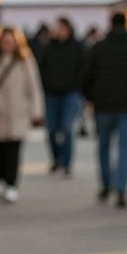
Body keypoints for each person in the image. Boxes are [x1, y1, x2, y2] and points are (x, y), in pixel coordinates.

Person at [83, 10, 127, 209]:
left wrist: (91, 98)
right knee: (124, 148)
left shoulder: (98, 48)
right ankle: (122, 188)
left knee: (103, 146)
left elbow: (86, 76)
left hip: (102, 105)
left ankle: (105, 183)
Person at [0, 26, 44, 203]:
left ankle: (11, 183)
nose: (8, 44)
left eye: (11, 41)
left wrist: (36, 110)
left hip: (17, 111)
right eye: (5, 41)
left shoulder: (25, 60)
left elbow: (34, 87)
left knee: (14, 148)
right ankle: (0, 178)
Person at [38, 16, 85, 176]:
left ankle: (66, 162)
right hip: (51, 93)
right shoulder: (48, 47)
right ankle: (56, 158)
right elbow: (42, 68)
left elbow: (83, 69)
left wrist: (78, 87)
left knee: (66, 128)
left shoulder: (77, 47)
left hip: (70, 93)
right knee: (51, 129)